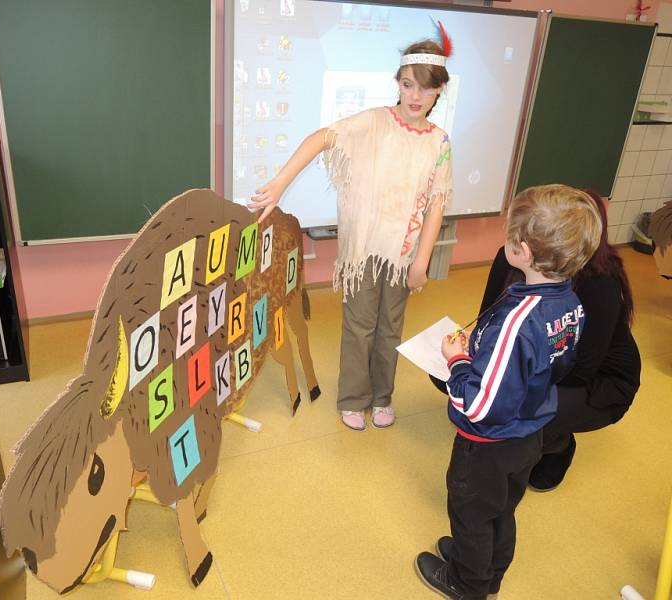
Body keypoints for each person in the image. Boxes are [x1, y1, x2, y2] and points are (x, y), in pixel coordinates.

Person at [249, 32, 453, 431]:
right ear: (398, 83)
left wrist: (422, 262)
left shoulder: (439, 143)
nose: (415, 96)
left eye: (426, 88)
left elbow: (436, 204)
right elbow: (321, 139)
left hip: (403, 256)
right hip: (363, 254)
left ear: (439, 91)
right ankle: (354, 398)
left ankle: (382, 397)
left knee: (390, 327)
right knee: (360, 325)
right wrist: (279, 183)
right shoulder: (375, 122)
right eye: (408, 84)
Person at [415, 184, 601, 600]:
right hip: (530, 430)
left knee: (471, 511)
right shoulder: (569, 302)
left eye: (509, 236)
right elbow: (559, 365)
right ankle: (484, 567)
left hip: (488, 442)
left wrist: (457, 361)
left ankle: (468, 583)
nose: (505, 241)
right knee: (501, 507)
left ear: (524, 252)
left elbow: (479, 404)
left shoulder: (517, 322)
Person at [476, 191, 641, 492]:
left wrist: (515, 379)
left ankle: (557, 444)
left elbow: (580, 370)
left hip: (595, 383)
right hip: (544, 363)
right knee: (452, 373)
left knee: (520, 402)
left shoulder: (599, 285)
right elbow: (486, 319)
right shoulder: (509, 257)